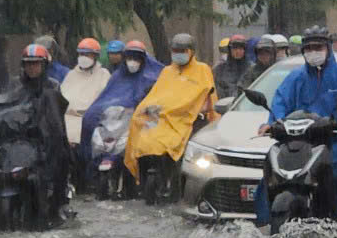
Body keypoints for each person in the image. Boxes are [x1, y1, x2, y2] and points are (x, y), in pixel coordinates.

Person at [253, 26, 337, 225]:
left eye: (318, 47)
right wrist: (272, 123)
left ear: (328, 48)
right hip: (299, 142)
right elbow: (280, 102)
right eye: (308, 48)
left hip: (335, 141)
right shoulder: (295, 77)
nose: (313, 52)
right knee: (269, 177)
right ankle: (263, 225)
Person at [124, 33, 218, 201]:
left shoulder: (203, 70)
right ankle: (145, 176)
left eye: (182, 50)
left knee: (181, 147)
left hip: (190, 119)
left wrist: (194, 110)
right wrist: (145, 109)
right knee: (142, 130)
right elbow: (157, 95)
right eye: (175, 50)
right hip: (165, 118)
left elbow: (206, 96)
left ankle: (178, 185)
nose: (178, 54)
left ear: (191, 52)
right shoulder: (167, 71)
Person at [0, 44, 74, 223]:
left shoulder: (52, 87)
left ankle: (58, 203)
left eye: (36, 64)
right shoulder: (15, 86)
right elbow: (4, 104)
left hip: (46, 139)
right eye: (28, 64)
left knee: (62, 157)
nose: (32, 68)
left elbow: (55, 118)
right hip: (21, 139)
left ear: (44, 66)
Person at [80, 40, 164, 186]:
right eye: (129, 58)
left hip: (143, 120)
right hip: (118, 119)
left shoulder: (152, 76)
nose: (132, 62)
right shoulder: (118, 76)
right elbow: (106, 97)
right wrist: (95, 113)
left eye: (136, 58)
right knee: (91, 120)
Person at [61, 38, 113, 167]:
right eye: (81, 54)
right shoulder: (71, 75)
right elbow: (62, 101)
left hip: (92, 127)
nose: (83, 57)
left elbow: (105, 103)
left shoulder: (103, 75)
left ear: (95, 56)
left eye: (87, 54)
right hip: (69, 126)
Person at [213, 34, 250, 99]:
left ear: (245, 50)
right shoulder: (219, 70)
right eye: (235, 48)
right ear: (230, 50)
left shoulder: (251, 69)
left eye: (241, 48)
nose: (238, 51)